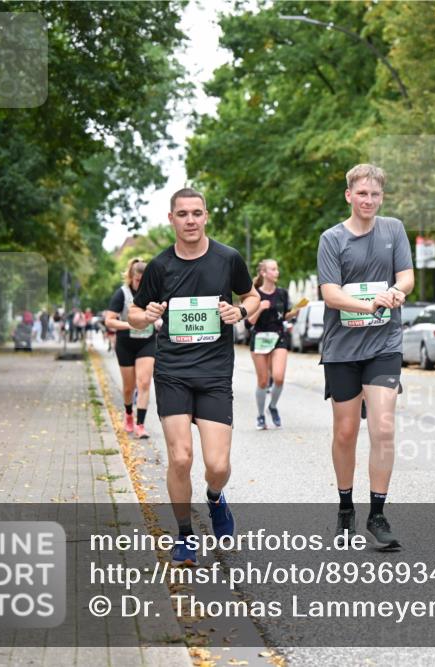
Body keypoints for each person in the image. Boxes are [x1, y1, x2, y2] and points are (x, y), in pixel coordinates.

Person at [128, 188, 259, 566]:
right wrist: (148, 314)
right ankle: (185, 535)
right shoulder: (159, 266)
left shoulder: (227, 258)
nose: (190, 220)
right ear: (171, 219)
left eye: (196, 213)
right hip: (173, 372)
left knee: (217, 466)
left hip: (215, 372)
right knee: (181, 458)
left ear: (205, 217)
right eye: (182, 214)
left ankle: (215, 498)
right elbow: (135, 315)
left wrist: (241, 311)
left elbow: (251, 297)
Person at [317, 164, 414, 551]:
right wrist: (366, 302)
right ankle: (345, 506)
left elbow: (406, 276)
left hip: (384, 345)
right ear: (349, 196)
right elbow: (329, 293)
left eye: (375, 194)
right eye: (362, 194)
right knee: (345, 432)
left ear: (381, 197)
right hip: (342, 348)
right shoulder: (332, 238)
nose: (369, 200)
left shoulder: (394, 230)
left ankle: (378, 513)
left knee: (384, 428)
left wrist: (397, 292)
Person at [105, 258, 159, 439]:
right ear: (131, 277)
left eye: (144, 280)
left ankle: (140, 424)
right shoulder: (122, 294)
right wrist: (130, 324)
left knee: (144, 383)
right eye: (137, 280)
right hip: (126, 344)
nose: (140, 284)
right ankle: (128, 414)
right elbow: (109, 320)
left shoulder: (153, 293)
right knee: (129, 388)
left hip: (147, 342)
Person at [247, 259, 303, 429]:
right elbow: (248, 323)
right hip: (259, 338)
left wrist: (294, 313)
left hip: (279, 337)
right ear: (264, 273)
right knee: (263, 381)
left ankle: (272, 406)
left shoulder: (282, 293)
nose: (276, 272)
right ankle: (260, 415)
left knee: (278, 378)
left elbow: (283, 316)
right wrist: (260, 308)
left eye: (277, 269)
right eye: (273, 269)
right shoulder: (254, 295)